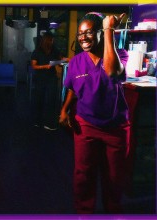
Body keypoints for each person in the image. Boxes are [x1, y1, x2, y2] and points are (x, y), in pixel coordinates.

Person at [59, 12, 129, 213]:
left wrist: (109, 29)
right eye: (80, 33)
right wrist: (64, 110)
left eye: (89, 32)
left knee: (114, 179)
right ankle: (84, 213)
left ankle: (113, 213)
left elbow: (112, 71)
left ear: (100, 32)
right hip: (86, 125)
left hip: (115, 127)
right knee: (83, 176)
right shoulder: (76, 62)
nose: (83, 37)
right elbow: (73, 89)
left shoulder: (120, 55)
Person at [31, 32, 67, 130]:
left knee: (51, 100)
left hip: (51, 78)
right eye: (51, 39)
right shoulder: (37, 51)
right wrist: (45, 66)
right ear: (47, 40)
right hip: (40, 78)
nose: (52, 41)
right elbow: (33, 65)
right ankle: (37, 121)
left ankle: (48, 123)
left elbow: (60, 59)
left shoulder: (54, 49)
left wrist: (65, 60)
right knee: (39, 99)